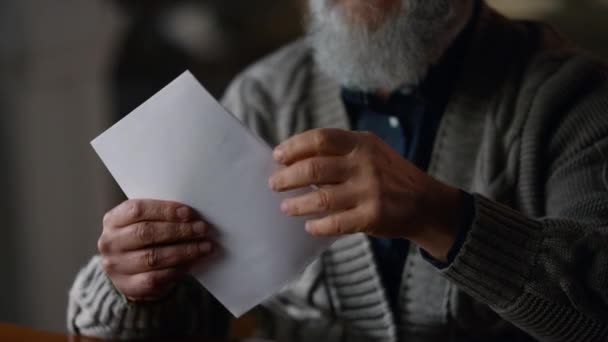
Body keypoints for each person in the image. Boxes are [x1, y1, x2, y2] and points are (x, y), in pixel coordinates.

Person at [68, 0, 608, 340]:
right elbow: (186, 321)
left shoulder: (574, 98)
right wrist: (136, 285)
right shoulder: (264, 95)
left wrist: (442, 216)